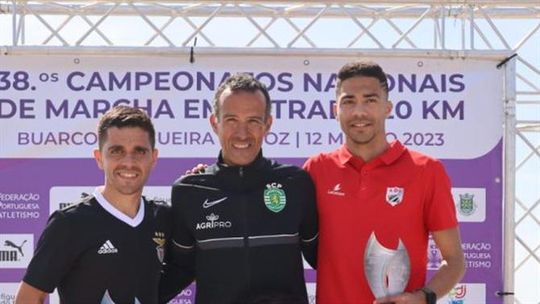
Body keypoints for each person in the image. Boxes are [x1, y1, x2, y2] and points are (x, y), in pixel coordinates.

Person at [303, 61, 466, 304]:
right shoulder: (316, 169)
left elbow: (454, 261)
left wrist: (424, 297)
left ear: (388, 107)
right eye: (349, 102)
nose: (359, 112)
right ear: (335, 109)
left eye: (370, 100)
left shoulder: (426, 170)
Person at [159, 73, 318, 304]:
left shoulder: (296, 183)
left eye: (253, 120)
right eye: (232, 119)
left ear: (268, 124)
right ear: (215, 123)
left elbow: (326, 260)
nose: (242, 134)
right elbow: (179, 269)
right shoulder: (189, 191)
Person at [15, 106, 171, 304]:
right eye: (116, 151)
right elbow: (29, 297)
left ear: (154, 158)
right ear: (99, 158)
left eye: (139, 151)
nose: (128, 162)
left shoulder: (163, 218)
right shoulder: (70, 223)